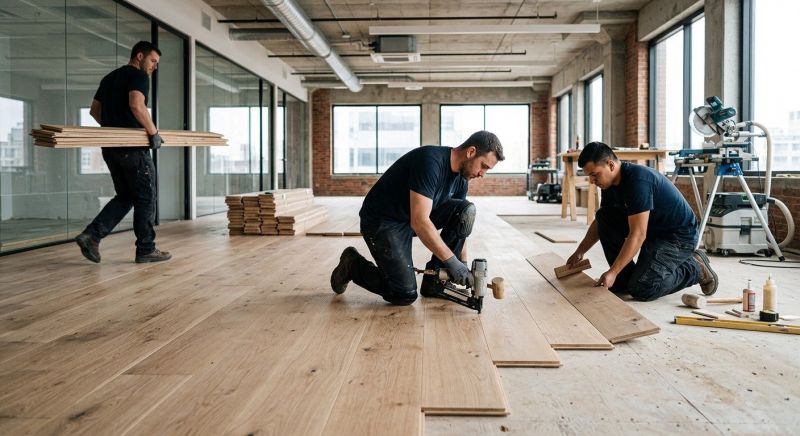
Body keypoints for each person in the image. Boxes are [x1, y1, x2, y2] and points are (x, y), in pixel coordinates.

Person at [330, 131, 505, 305]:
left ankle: (434, 282)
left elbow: (461, 223)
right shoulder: (430, 162)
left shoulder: (461, 179)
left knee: (466, 209)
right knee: (403, 293)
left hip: (409, 217)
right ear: (471, 152)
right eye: (484, 166)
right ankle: (352, 265)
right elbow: (419, 221)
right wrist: (451, 261)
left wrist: (462, 263)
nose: (483, 173)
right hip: (383, 221)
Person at [565, 142, 718, 301]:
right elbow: (602, 222)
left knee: (642, 288)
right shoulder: (609, 185)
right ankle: (623, 278)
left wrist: (613, 272)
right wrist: (580, 251)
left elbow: (638, 235)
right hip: (653, 232)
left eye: (594, 174)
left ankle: (695, 267)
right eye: (589, 176)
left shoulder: (638, 181)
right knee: (604, 216)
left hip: (677, 238)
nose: (592, 181)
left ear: (610, 165)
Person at [75, 41, 171, 264]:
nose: (154, 67)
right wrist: (153, 132)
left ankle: (92, 235)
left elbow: (94, 111)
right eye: (153, 61)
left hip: (111, 148)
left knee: (127, 196)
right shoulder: (138, 76)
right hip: (133, 150)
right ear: (140, 56)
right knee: (146, 197)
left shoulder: (109, 78)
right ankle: (146, 249)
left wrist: (114, 129)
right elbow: (137, 105)